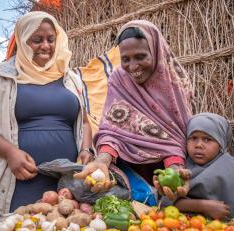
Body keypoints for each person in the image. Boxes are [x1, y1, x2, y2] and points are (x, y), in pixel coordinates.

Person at [0, 11, 93, 218]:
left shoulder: (71, 78)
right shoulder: (1, 77)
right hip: (18, 180)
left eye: (50, 39)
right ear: (22, 40)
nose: (45, 46)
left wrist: (86, 148)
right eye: (37, 40)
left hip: (67, 185)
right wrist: (10, 153)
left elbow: (84, 122)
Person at [74, 20, 193, 200]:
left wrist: (174, 169)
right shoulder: (119, 80)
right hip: (127, 170)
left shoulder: (175, 83)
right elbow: (112, 129)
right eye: (125, 59)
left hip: (167, 173)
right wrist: (102, 161)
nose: (133, 66)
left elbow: (176, 135)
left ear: (156, 50)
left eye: (140, 56)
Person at [172, 112, 234, 219]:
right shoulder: (182, 166)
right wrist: (203, 206)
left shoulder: (228, 167)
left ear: (221, 143)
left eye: (207, 139)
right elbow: (166, 202)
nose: (198, 145)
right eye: (193, 138)